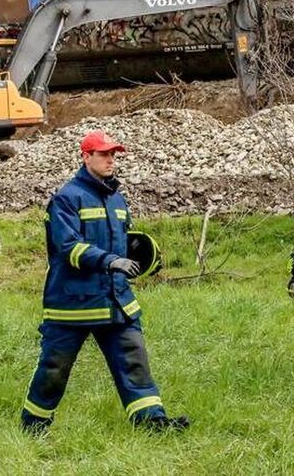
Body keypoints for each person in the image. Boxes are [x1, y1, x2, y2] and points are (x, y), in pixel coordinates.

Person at [20, 130, 188, 434]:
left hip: (115, 300)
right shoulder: (66, 199)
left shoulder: (117, 199)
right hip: (72, 305)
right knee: (53, 370)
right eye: (104, 154)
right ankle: (33, 426)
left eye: (113, 154)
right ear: (86, 157)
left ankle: (152, 422)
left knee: (134, 363)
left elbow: (126, 242)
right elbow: (68, 248)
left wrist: (143, 257)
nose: (111, 160)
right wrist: (110, 260)